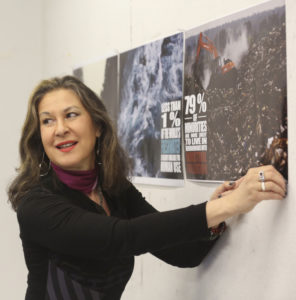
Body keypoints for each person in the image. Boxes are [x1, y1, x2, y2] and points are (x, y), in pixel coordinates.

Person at [8, 75, 286, 300]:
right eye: (47, 121)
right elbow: (121, 238)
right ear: (39, 135)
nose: (59, 129)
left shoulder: (114, 189)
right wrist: (228, 205)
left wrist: (221, 212)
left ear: (98, 127)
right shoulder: (36, 205)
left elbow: (182, 253)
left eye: (70, 115)